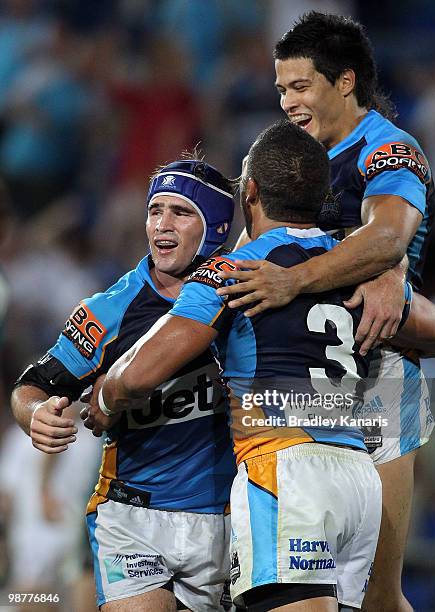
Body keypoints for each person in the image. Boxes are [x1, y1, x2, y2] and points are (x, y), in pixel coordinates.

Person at [96, 121, 435, 611]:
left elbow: (138, 374)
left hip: (285, 472)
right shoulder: (350, 268)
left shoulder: (236, 271)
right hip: (357, 478)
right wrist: (390, 289)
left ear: (250, 193)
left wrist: (104, 396)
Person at [216, 13, 435, 612]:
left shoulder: (389, 150)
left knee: (377, 597)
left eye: (300, 86)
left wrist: (299, 281)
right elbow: (243, 262)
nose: (287, 102)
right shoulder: (294, 160)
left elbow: (389, 234)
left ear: (345, 81)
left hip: (381, 381)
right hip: (296, 390)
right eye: (281, 88)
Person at [10, 157, 237, 612]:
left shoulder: (247, 291)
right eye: (155, 210)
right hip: (132, 519)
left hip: (229, 518)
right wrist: (35, 415)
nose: (162, 225)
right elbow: (30, 386)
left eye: (181, 212)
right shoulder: (107, 310)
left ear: (215, 227)